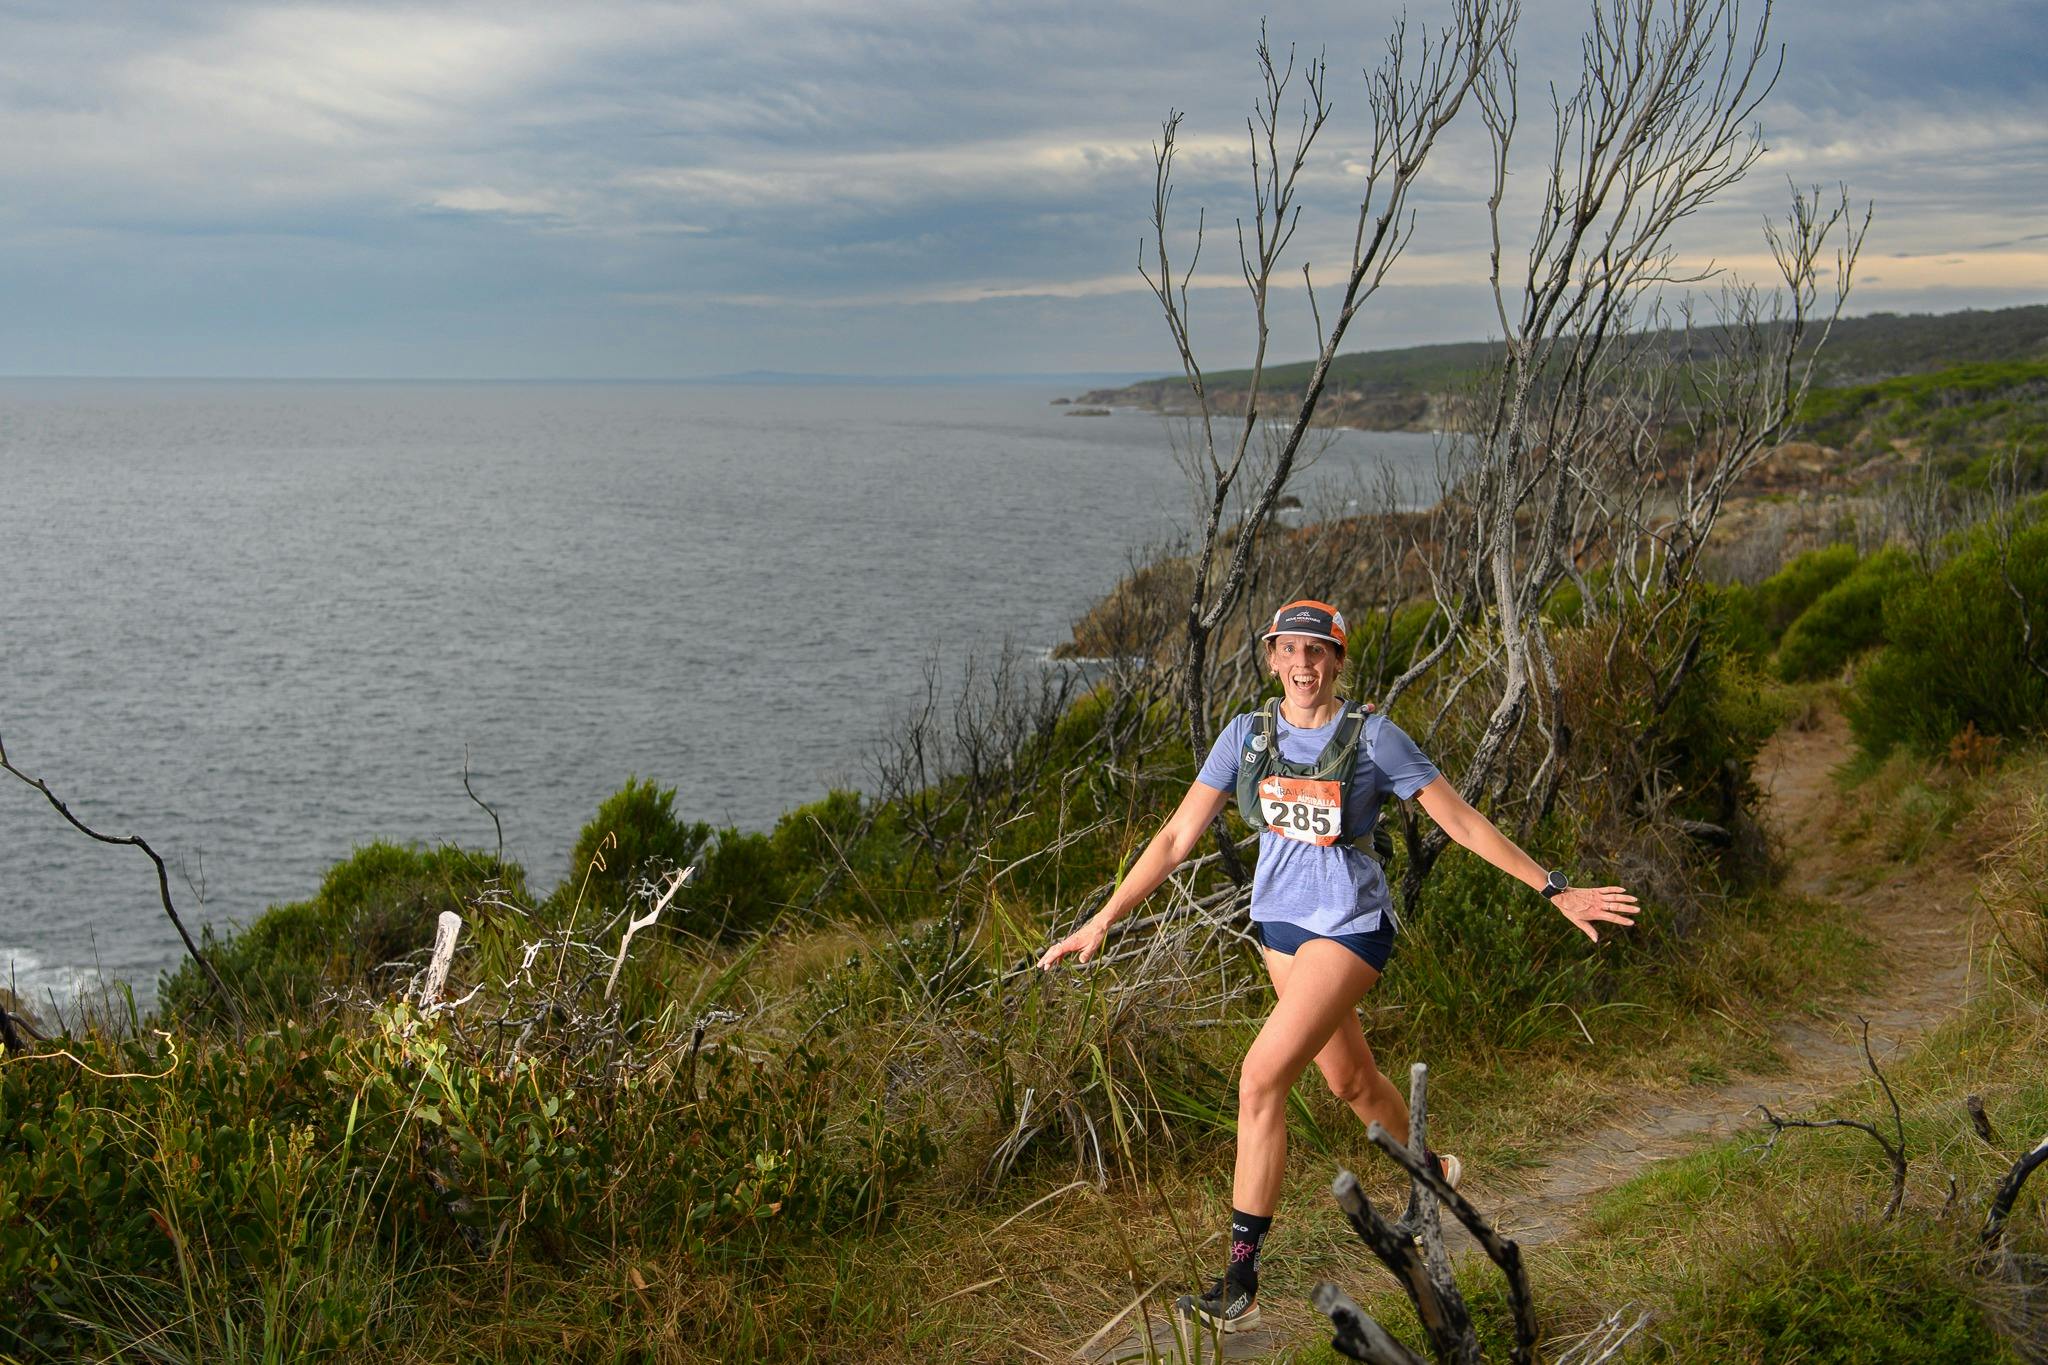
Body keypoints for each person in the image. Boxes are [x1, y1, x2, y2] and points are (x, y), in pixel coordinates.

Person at [1038, 599, 1640, 1334]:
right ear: (1270, 657)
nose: (1303, 665)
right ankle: (1435, 1173)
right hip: (1279, 931)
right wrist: (1101, 921)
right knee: (1349, 1080)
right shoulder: (1246, 736)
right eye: (1289, 650)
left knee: (1261, 1076)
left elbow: (1460, 819)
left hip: (1350, 928)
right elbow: (1174, 838)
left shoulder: (1375, 738)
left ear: (1338, 661)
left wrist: (1553, 887)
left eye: (1317, 652)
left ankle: (1239, 1280)